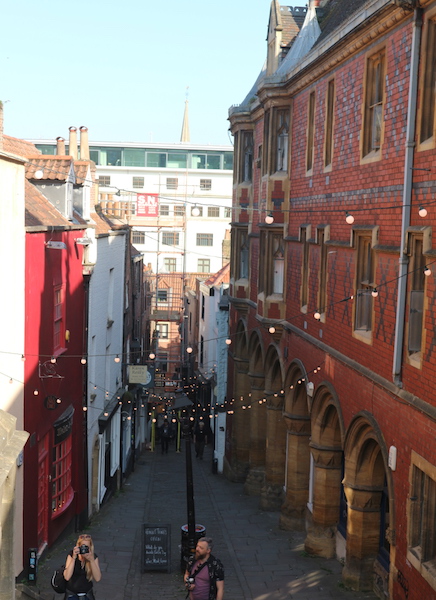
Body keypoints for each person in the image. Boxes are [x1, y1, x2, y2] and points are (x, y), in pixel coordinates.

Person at [63, 533, 101, 600]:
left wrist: (91, 560)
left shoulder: (93, 557)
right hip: (72, 594)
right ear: (78, 546)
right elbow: (67, 577)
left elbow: (97, 578)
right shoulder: (72, 555)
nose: (84, 550)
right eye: (82, 547)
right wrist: (74, 558)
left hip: (87, 594)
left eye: (86, 547)